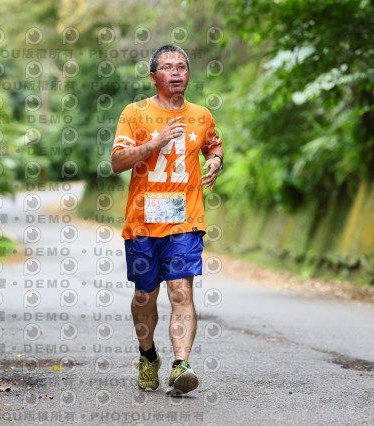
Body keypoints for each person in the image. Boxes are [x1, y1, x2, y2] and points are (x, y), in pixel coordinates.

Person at [111, 44, 224, 395]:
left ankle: (181, 365)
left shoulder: (201, 115)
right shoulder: (134, 113)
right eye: (168, 67)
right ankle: (148, 356)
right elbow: (117, 162)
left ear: (188, 74)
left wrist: (215, 161)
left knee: (180, 289)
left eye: (181, 67)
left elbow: (213, 144)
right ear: (153, 76)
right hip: (142, 222)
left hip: (185, 220)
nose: (176, 72)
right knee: (145, 295)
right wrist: (156, 141)